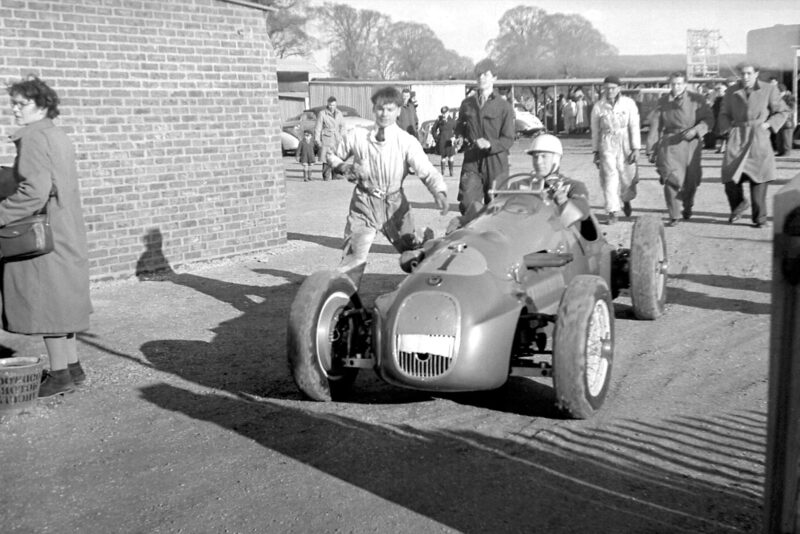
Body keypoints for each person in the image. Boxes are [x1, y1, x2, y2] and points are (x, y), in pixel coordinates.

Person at [4, 76, 92, 397]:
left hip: (43, 233)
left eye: (20, 104)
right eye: (12, 103)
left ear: (41, 106)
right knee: (63, 300)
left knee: (48, 305)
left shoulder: (33, 139)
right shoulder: (57, 135)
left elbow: (33, 191)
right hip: (65, 228)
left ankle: (59, 376)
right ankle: (73, 368)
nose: (14, 110)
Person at [326, 86, 448, 286]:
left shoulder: (406, 141)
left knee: (413, 256)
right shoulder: (357, 135)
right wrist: (342, 166)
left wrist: (438, 190)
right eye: (380, 109)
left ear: (399, 110)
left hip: (394, 205)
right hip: (363, 204)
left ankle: (424, 240)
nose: (384, 114)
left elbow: (425, 169)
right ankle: (344, 304)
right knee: (353, 257)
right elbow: (332, 154)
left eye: (390, 109)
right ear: (374, 109)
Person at [717, 62, 789, 228]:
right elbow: (724, 113)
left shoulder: (769, 89)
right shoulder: (731, 91)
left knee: (759, 180)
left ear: (756, 73)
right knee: (730, 178)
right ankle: (739, 205)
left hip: (758, 137)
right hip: (738, 136)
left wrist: (769, 124)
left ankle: (760, 219)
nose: (745, 77)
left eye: (749, 73)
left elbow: (783, 111)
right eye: (742, 73)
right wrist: (727, 129)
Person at [645, 72, 713, 226]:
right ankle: (674, 214)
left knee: (691, 180)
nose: (676, 87)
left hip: (691, 144)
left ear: (685, 84)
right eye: (673, 84)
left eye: (679, 84)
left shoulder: (697, 100)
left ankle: (688, 204)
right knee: (670, 179)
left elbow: (709, 119)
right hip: (670, 144)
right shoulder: (663, 102)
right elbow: (655, 127)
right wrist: (651, 148)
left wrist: (696, 130)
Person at [454, 58, 515, 220]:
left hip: (496, 162)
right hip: (472, 159)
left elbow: (509, 138)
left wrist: (490, 144)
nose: (481, 78)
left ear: (494, 78)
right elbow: (460, 125)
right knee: (467, 204)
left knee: (496, 206)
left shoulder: (504, 107)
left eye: (486, 74)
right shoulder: (467, 104)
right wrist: (459, 137)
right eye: (479, 74)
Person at [591, 74, 641, 224]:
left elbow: (634, 126)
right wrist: (596, 151)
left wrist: (636, 148)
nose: (610, 91)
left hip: (625, 140)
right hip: (607, 142)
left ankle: (626, 199)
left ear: (619, 88)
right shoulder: (599, 106)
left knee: (627, 176)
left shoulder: (628, 104)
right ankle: (612, 211)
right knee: (609, 177)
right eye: (606, 89)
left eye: (612, 88)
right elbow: (595, 131)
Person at [525, 134, 590, 225]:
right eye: (535, 157)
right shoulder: (520, 185)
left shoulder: (573, 186)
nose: (538, 162)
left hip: (559, 235)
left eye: (544, 156)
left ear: (556, 159)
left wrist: (565, 202)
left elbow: (584, 211)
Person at [314, 96, 344, 181]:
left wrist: (341, 136)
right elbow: (318, 127)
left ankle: (336, 175)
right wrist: (317, 139)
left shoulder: (339, 113)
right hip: (327, 137)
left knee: (336, 157)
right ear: (327, 104)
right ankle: (326, 176)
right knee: (326, 158)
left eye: (333, 105)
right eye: (330, 105)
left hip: (337, 138)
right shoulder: (322, 113)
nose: (332, 107)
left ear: (336, 104)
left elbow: (343, 126)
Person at [431, 106, 458, 177]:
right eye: (442, 113)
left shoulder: (452, 120)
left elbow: (456, 129)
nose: (443, 115)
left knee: (451, 156)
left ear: (448, 112)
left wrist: (454, 137)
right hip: (442, 140)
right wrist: (436, 138)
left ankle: (451, 171)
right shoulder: (439, 120)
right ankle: (442, 171)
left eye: (445, 113)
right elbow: (433, 129)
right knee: (443, 157)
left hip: (450, 140)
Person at [775, 84, 795, 157]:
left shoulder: (789, 97)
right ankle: (780, 151)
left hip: (787, 121)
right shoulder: (777, 98)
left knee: (787, 138)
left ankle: (787, 152)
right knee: (779, 139)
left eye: (779, 91)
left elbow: (790, 109)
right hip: (778, 121)